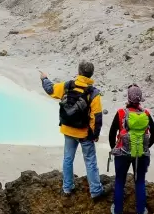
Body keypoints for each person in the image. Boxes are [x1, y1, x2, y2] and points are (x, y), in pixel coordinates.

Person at [39, 61, 105, 200]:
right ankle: (95, 190)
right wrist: (95, 134)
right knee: (90, 161)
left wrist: (44, 78)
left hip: (68, 129)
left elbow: (50, 90)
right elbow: (96, 117)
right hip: (84, 133)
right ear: (91, 74)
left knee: (68, 159)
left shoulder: (68, 85)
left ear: (79, 71)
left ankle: (67, 187)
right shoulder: (93, 93)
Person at [108, 84, 154, 214]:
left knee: (119, 181)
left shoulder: (120, 113)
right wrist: (146, 147)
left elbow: (112, 133)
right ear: (140, 98)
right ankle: (140, 213)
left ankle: (117, 212)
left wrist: (115, 148)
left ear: (128, 97)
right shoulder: (146, 114)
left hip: (122, 153)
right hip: (141, 154)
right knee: (140, 181)